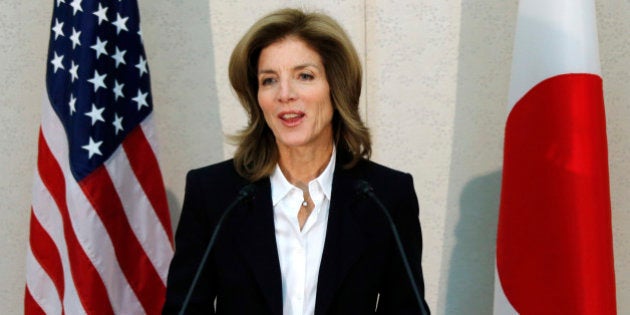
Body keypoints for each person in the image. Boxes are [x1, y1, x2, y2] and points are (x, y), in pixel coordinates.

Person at [163, 8, 429, 315]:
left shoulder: (385, 196)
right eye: (269, 80)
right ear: (257, 96)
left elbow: (407, 309)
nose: (284, 94)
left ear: (336, 87)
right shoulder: (214, 195)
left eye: (304, 76)